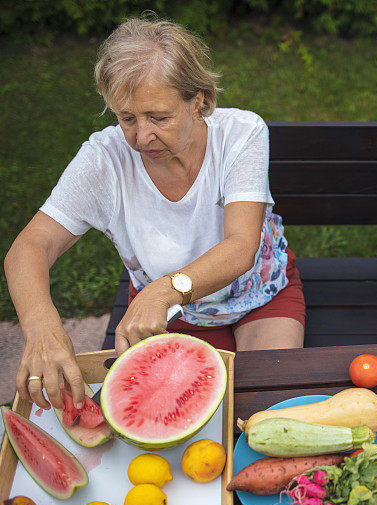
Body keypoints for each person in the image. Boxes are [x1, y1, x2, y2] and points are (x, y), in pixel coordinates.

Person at [4, 17, 305, 412]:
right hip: (160, 315)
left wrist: (163, 291)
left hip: (259, 297)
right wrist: (42, 328)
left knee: (263, 411)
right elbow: (30, 246)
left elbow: (241, 246)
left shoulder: (242, 133)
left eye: (158, 117)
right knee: (177, 422)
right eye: (126, 118)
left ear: (198, 100)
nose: (141, 137)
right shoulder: (103, 159)